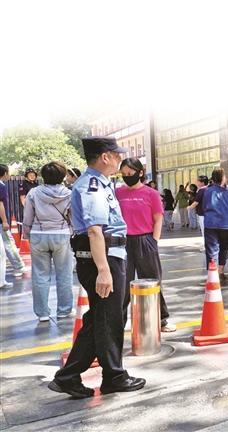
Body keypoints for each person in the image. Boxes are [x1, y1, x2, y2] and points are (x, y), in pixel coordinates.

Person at [48, 136, 145, 399]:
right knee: (109, 318)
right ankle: (113, 376)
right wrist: (103, 270)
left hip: (110, 255)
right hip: (103, 258)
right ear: (105, 157)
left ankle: (68, 377)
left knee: (101, 318)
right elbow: (94, 230)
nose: (119, 160)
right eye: (117, 155)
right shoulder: (91, 186)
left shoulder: (100, 183)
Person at [116, 158, 175, 332]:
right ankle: (118, 323)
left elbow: (158, 219)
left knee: (153, 280)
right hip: (123, 242)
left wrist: (153, 241)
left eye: (130, 173)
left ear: (140, 173)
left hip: (145, 240)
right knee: (122, 284)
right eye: (123, 174)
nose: (127, 176)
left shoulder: (151, 194)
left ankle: (161, 320)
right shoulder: (117, 193)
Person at [21, 162, 74, 322]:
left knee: (40, 275)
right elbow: (73, 216)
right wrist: (72, 232)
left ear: (43, 176)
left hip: (38, 234)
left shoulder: (34, 193)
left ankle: (42, 313)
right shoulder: (69, 193)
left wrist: (27, 235)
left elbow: (27, 217)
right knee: (64, 274)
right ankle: (64, 310)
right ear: (62, 176)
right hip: (61, 234)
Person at [0, 164, 25, 278]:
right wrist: (4, 221)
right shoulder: (1, 186)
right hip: (1, 222)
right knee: (8, 243)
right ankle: (19, 266)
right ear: (5, 173)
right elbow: (0, 204)